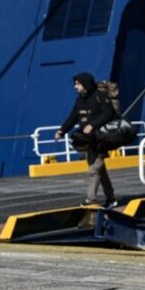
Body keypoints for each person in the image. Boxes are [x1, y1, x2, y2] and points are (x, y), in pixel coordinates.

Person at [55, 72, 118, 208]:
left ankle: (91, 200)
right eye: (75, 84)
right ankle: (111, 198)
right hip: (88, 141)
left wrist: (92, 125)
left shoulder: (100, 96)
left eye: (78, 84)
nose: (75, 87)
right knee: (100, 170)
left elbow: (108, 113)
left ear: (86, 84)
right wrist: (62, 131)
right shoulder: (80, 100)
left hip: (102, 138)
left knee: (94, 170)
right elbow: (73, 117)